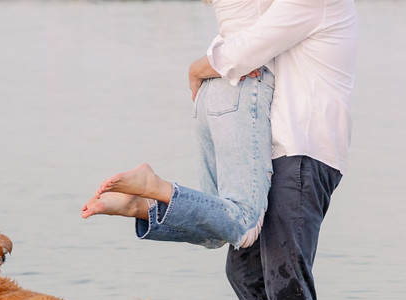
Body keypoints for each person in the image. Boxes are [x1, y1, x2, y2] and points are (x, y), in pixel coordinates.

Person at [89, 0, 359, 300]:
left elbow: (241, 52)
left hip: (302, 151)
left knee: (284, 278)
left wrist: (197, 68)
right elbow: (238, 34)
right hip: (267, 157)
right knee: (246, 272)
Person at [83, 0, 275, 251]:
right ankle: (158, 188)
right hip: (244, 82)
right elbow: (253, 48)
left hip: (214, 85)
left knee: (216, 227)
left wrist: (196, 69)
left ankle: (141, 207)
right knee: (245, 223)